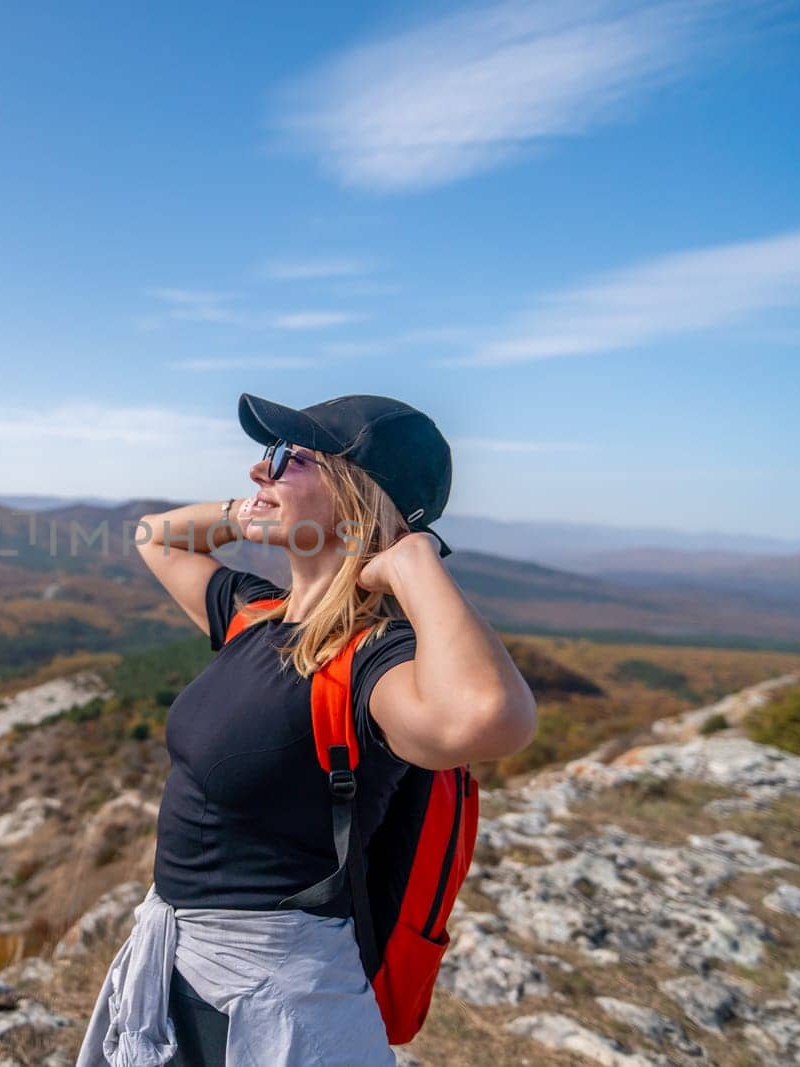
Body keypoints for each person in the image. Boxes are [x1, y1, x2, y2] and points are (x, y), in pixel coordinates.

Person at [74, 393, 537, 1066]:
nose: (260, 470)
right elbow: (156, 536)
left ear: (356, 493)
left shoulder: (370, 661)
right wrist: (253, 509)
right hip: (178, 965)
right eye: (267, 455)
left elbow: (488, 715)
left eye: (290, 457)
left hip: (277, 1003)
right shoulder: (257, 616)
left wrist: (411, 561)